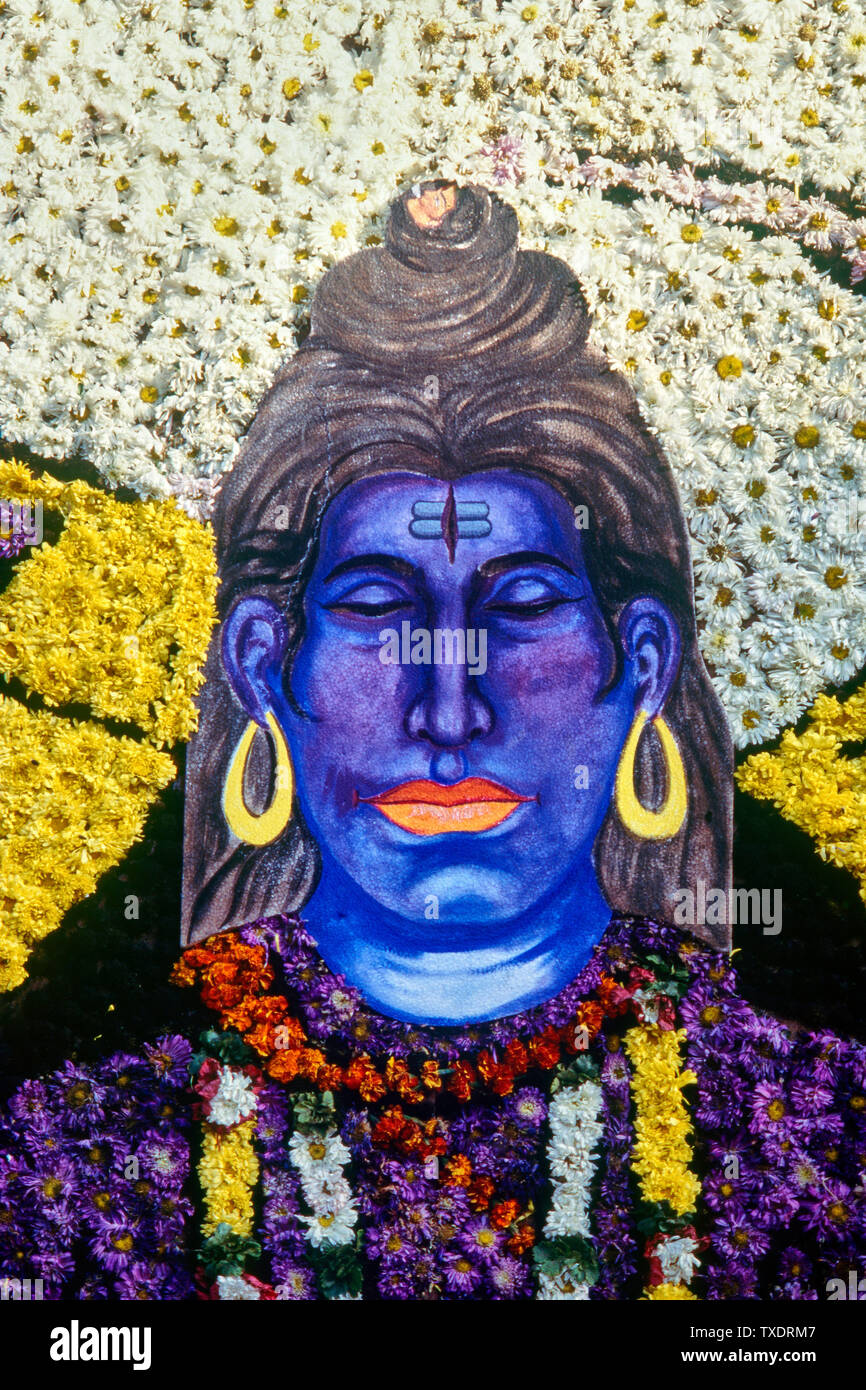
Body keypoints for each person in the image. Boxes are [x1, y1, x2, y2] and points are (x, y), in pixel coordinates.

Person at [1, 182, 863, 1302]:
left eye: (519, 609)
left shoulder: (809, 1133)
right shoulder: (78, 1163)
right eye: (372, 609)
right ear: (262, 663)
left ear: (641, 664)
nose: (447, 714)